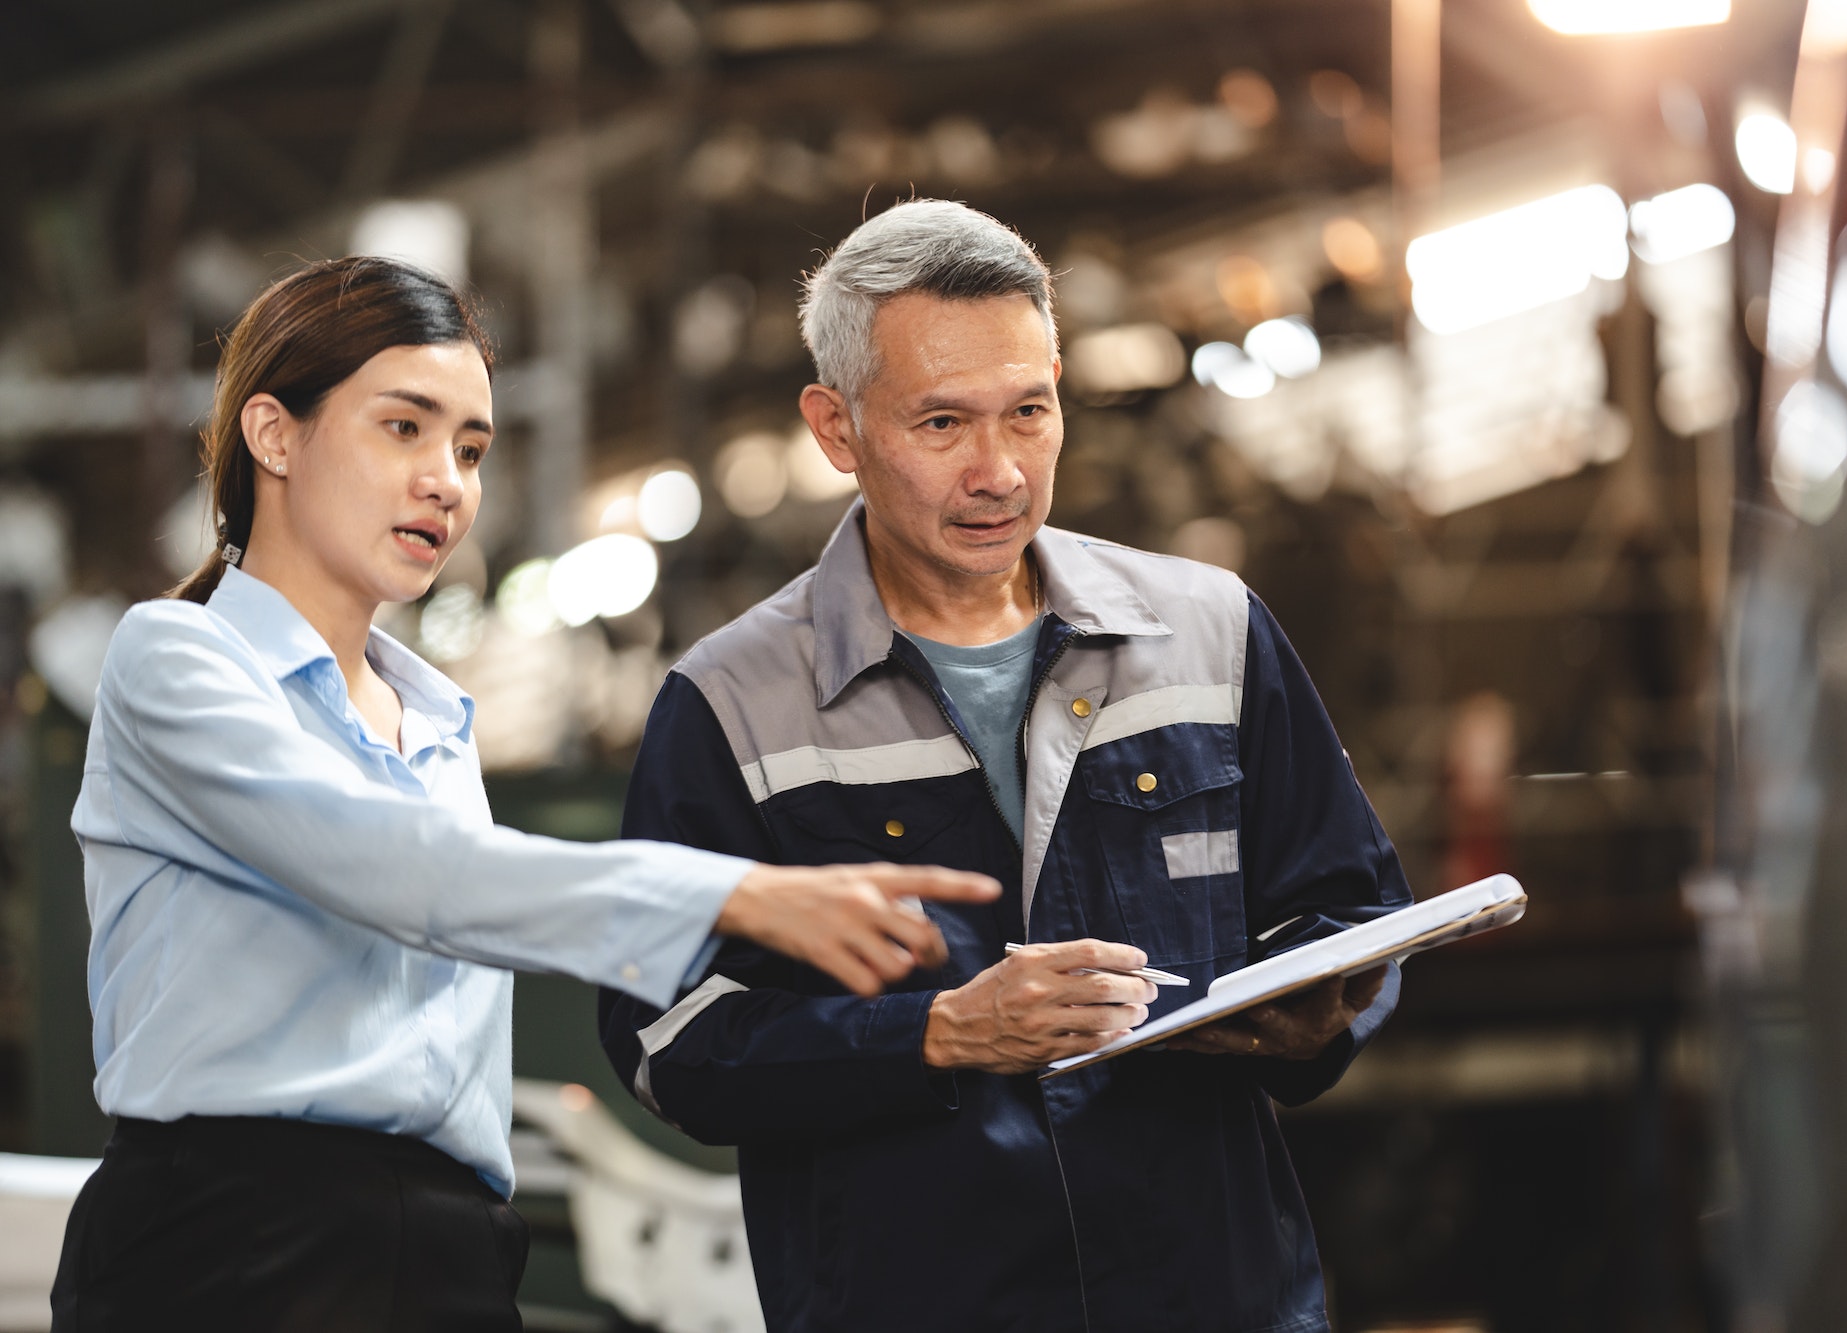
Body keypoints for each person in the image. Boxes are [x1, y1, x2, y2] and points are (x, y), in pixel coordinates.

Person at [50, 256, 997, 1333]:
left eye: (469, 448)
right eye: (402, 428)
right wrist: (730, 896)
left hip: (450, 1247)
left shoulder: (437, 720)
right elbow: (402, 872)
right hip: (226, 1249)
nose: (446, 482)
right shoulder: (175, 659)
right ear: (274, 434)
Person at [598, 200, 1411, 1333]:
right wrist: (935, 1032)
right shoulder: (731, 705)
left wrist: (1315, 1012)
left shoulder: (1209, 635)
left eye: (1028, 411)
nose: (999, 472)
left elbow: (1347, 905)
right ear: (835, 429)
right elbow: (665, 1041)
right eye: (940, 424)